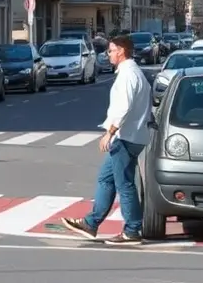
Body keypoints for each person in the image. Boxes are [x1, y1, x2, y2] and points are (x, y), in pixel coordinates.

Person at [59, 34, 153, 245]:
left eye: (110, 50)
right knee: (106, 179)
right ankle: (90, 224)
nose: (108, 54)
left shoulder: (129, 75)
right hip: (132, 135)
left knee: (125, 184)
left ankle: (132, 230)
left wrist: (110, 133)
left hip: (125, 136)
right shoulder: (134, 73)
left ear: (121, 51)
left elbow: (124, 107)